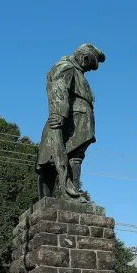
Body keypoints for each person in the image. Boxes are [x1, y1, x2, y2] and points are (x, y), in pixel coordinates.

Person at [36, 43, 105, 199]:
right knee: (54, 159)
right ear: (85, 58)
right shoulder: (67, 67)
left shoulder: (77, 72)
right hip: (71, 120)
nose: (88, 70)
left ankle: (72, 193)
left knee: (76, 156)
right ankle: (63, 195)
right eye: (89, 66)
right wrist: (59, 114)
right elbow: (59, 88)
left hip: (79, 120)